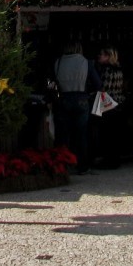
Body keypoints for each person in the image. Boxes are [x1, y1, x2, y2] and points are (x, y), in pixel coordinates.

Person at [53, 41, 93, 175]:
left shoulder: (58, 62)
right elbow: (97, 82)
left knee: (63, 135)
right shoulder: (85, 62)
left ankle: (62, 165)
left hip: (63, 99)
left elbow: (52, 82)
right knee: (81, 134)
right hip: (81, 99)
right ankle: (82, 166)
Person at [95, 46, 127, 169]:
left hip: (107, 103)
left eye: (101, 55)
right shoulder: (118, 69)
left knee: (106, 134)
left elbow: (104, 89)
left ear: (108, 56)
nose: (99, 57)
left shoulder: (106, 70)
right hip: (118, 102)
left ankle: (109, 160)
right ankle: (114, 159)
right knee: (114, 133)